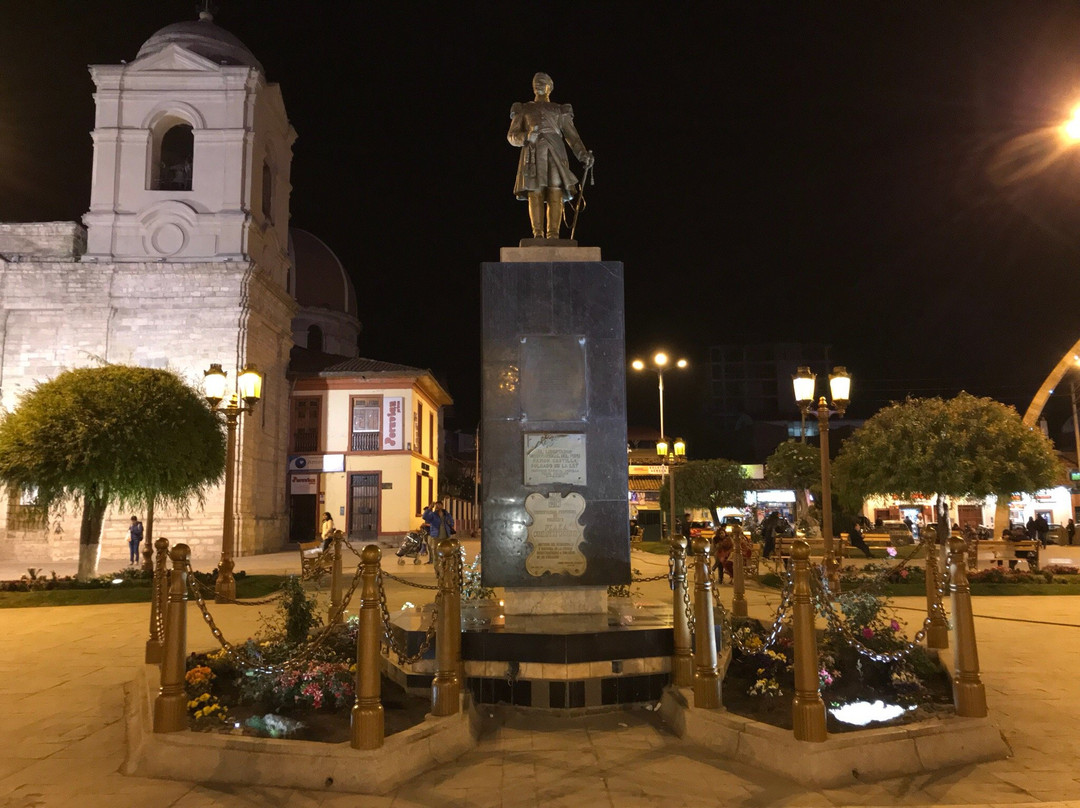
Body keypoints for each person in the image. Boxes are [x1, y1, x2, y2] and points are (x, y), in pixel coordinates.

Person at [507, 72, 594, 240]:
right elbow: (512, 135)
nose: (538, 84)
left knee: (555, 191)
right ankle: (537, 234)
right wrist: (526, 136)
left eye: (542, 82)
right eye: (535, 82)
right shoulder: (523, 109)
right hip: (533, 155)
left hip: (556, 153)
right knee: (535, 191)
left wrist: (583, 154)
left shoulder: (559, 110)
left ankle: (553, 234)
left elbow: (572, 137)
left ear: (550, 87)